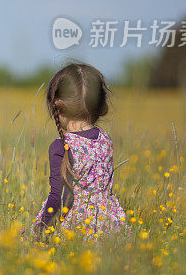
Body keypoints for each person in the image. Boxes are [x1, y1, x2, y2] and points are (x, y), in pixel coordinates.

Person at [31, 62, 129, 240]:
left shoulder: (62, 146)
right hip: (111, 226)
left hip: (78, 229)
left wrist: (41, 228)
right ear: (99, 106)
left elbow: (59, 197)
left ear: (58, 107)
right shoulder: (105, 139)